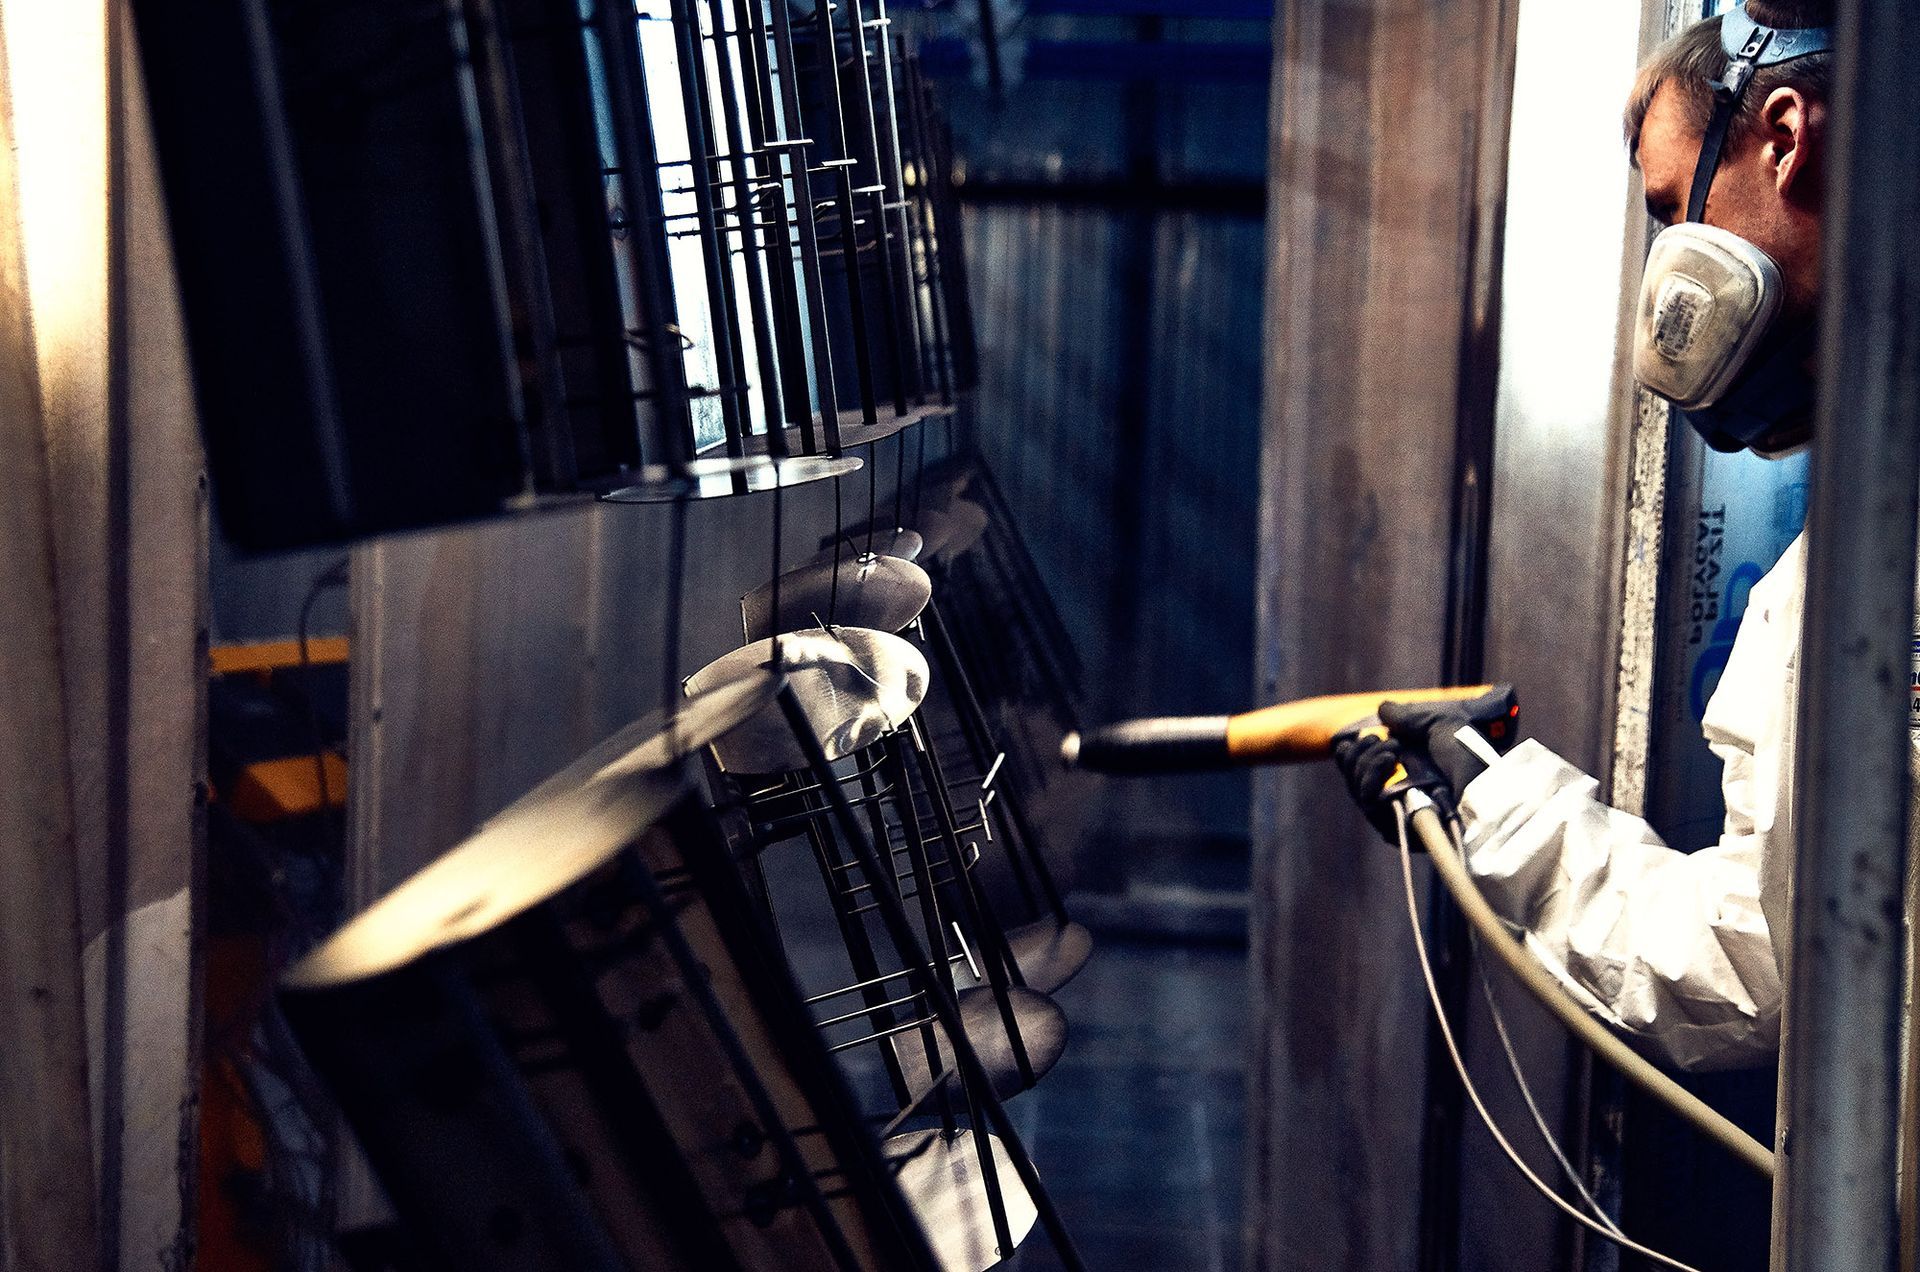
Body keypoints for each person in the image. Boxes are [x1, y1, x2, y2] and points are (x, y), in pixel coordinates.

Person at [1337, 0, 1832, 1074]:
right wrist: (1493, 788)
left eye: (1672, 210)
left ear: (1787, 140)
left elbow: (1752, 971)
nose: (1673, 263)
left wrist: (1493, 805)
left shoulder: (1864, 587)